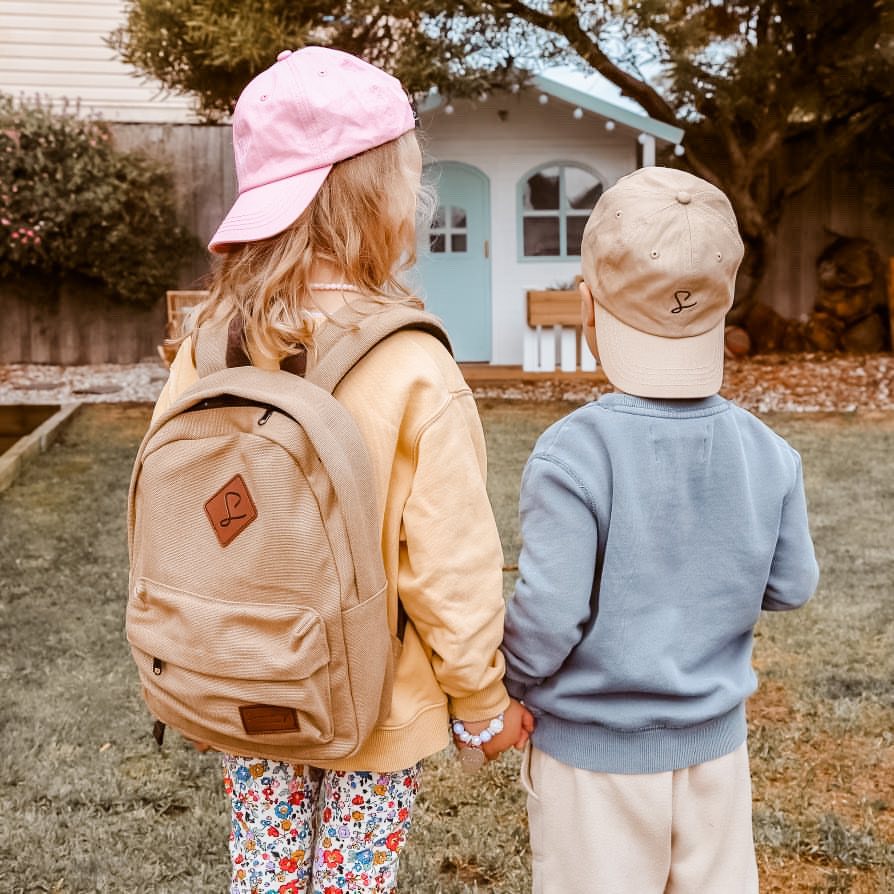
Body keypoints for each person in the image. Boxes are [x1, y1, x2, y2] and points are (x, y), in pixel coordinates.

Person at [151, 46, 531, 894]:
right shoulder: (410, 363)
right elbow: (448, 566)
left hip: (241, 677)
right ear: (385, 198)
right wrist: (480, 702)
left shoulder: (206, 347)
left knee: (266, 872)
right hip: (373, 703)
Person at [501, 166, 820, 894]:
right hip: (716, 756)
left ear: (588, 304)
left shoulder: (571, 454)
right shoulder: (769, 450)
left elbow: (549, 617)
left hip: (592, 765)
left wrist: (508, 681)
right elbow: (794, 584)